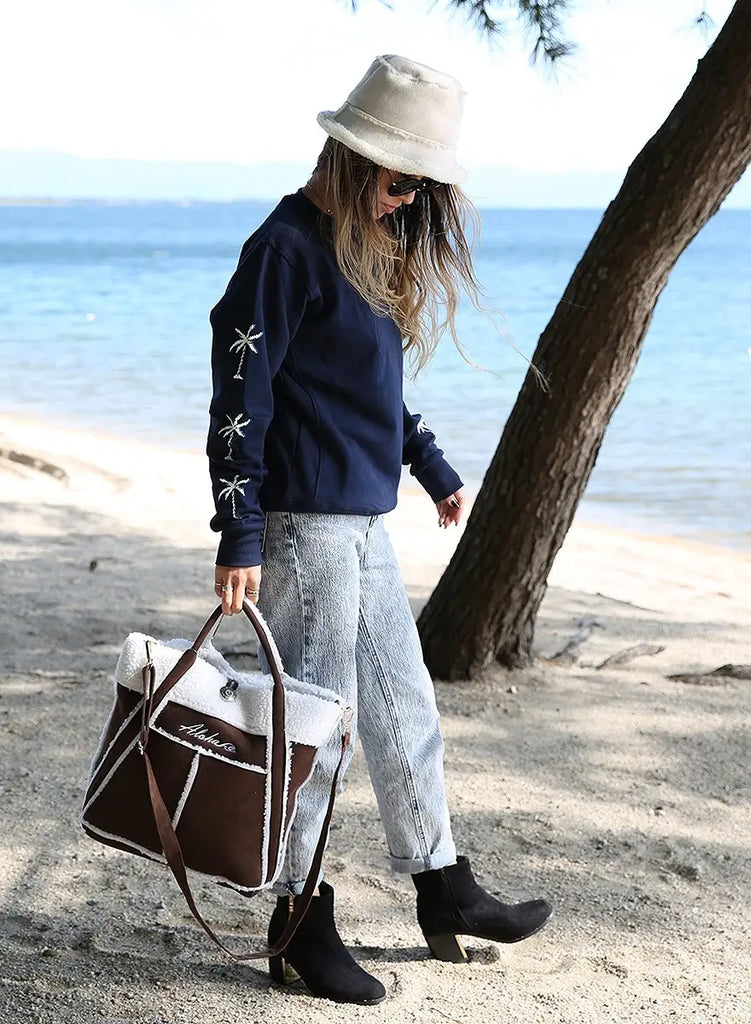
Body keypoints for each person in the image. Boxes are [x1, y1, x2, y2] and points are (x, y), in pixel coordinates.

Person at [206, 54, 553, 1006]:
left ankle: (443, 887)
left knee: (405, 709)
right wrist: (237, 530)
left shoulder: (359, 248)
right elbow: (241, 399)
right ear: (356, 159)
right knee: (316, 730)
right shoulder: (284, 250)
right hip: (301, 529)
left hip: (362, 524)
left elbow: (371, 391)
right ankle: (297, 924)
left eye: (420, 189)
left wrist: (431, 466)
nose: (407, 202)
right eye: (401, 182)